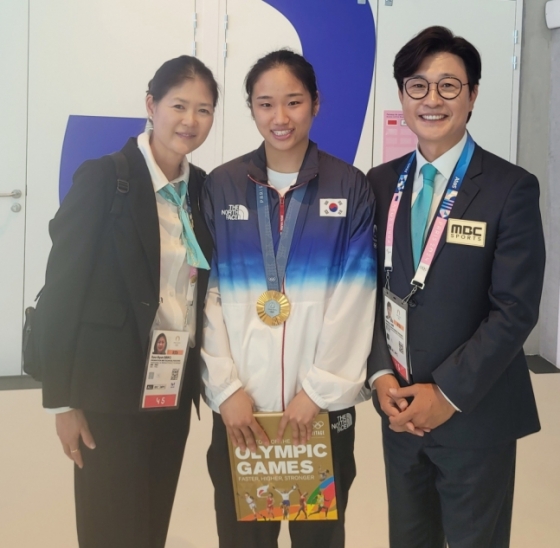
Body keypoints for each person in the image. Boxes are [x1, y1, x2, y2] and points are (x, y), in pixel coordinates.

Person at [367, 26, 545, 548]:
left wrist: (446, 393)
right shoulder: (379, 184)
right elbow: (366, 293)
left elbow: (514, 309)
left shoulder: (510, 187)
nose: (432, 99)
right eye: (417, 85)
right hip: (400, 413)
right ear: (402, 95)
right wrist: (379, 374)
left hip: (475, 414)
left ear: (472, 95)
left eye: (449, 86)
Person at [35, 55, 217, 548]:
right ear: (151, 105)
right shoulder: (105, 177)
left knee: (151, 527)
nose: (190, 120)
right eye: (179, 105)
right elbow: (63, 289)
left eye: (203, 110)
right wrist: (63, 402)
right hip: (107, 393)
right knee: (109, 531)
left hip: (172, 388)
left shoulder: (202, 189)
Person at [202, 49, 376, 548]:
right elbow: (207, 295)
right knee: (243, 538)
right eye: (265, 104)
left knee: (319, 536)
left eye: (294, 102)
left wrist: (317, 392)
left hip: (319, 413)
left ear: (316, 103)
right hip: (242, 413)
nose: (280, 117)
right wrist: (225, 389)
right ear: (251, 108)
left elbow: (356, 296)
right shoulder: (222, 186)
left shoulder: (350, 186)